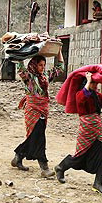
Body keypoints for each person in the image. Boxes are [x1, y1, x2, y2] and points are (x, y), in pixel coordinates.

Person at [54, 67, 102, 195]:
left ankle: (98, 183)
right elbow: (82, 98)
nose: (96, 85)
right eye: (94, 83)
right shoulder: (80, 94)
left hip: (97, 129)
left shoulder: (95, 95)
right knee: (79, 156)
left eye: (96, 83)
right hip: (87, 128)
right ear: (87, 83)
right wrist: (89, 81)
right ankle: (61, 167)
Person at [11, 50, 64, 178]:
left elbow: (60, 68)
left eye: (44, 65)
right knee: (39, 137)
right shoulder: (28, 77)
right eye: (40, 65)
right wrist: (21, 55)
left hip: (43, 109)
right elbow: (21, 68)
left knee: (34, 137)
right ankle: (44, 167)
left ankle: (18, 157)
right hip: (32, 110)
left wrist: (59, 51)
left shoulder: (45, 76)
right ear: (34, 65)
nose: (43, 68)